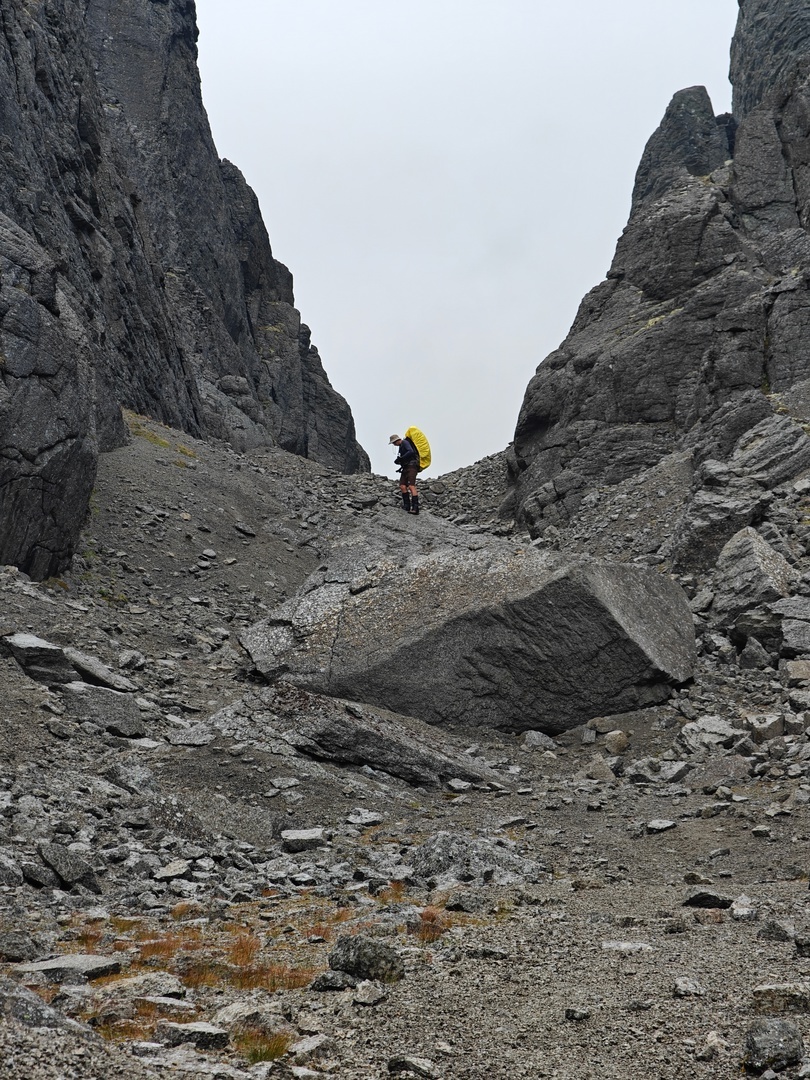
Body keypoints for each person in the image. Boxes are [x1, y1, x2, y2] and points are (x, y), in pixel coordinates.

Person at [389, 433, 419, 514]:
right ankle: (407, 506)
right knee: (402, 486)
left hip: (412, 466)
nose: (394, 445)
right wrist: (399, 461)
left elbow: (411, 451)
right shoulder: (401, 447)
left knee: (411, 486)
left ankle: (415, 508)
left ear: (397, 440)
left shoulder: (405, 442)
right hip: (405, 467)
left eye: (394, 443)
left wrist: (401, 458)